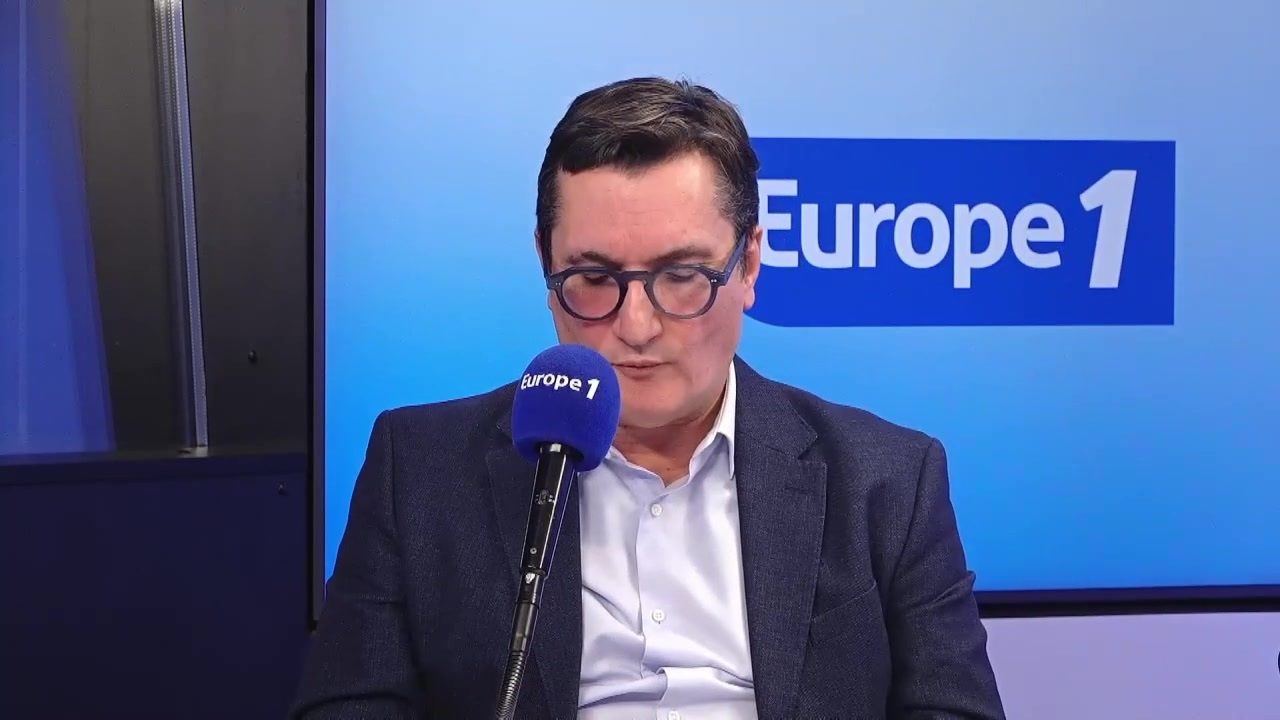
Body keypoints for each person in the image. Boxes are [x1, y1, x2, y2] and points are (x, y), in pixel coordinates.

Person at [292, 77, 1005, 719]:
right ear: (545, 263)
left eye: (682, 275)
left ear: (749, 265)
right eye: (593, 278)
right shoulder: (420, 468)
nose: (636, 326)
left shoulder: (888, 480)